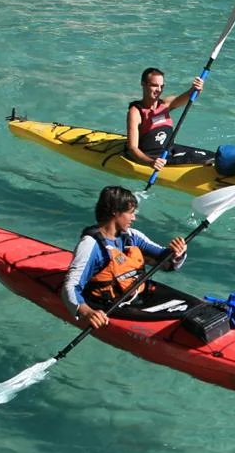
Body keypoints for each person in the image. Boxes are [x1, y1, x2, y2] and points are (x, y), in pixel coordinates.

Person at [63, 185, 188, 327]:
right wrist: (87, 312)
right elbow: (71, 286)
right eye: (130, 212)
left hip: (140, 298)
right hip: (108, 305)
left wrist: (178, 252)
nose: (134, 218)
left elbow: (166, 262)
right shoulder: (90, 245)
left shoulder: (133, 236)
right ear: (115, 212)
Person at [124, 66, 207, 170]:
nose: (159, 90)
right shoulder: (135, 112)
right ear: (143, 84)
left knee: (210, 157)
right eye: (154, 85)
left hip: (169, 151)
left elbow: (189, 95)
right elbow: (132, 148)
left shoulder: (166, 104)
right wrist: (150, 162)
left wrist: (196, 89)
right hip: (151, 157)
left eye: (161, 86)